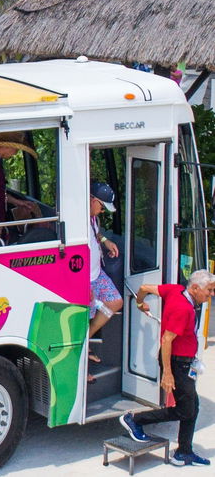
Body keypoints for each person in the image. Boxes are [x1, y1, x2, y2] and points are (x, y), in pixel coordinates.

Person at [120, 269, 215, 466]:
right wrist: (168, 374)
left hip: (183, 363)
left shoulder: (175, 290)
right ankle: (135, 420)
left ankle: (184, 452)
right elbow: (167, 340)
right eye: (209, 290)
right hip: (177, 364)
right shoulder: (183, 309)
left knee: (192, 407)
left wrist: (139, 303)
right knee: (186, 410)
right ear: (195, 288)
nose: (211, 295)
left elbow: (144, 287)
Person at [87, 182, 123, 363]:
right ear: (91, 200)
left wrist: (105, 241)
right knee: (82, 318)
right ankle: (82, 359)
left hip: (97, 273)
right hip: (84, 278)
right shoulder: (77, 220)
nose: (102, 211)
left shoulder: (93, 218)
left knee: (115, 302)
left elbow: (97, 234)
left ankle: (86, 338)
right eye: (101, 207)